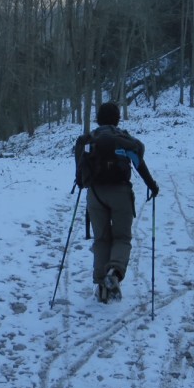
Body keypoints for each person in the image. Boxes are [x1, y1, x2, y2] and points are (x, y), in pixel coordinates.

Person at [74, 102, 159, 303]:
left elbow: (79, 175)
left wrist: (81, 181)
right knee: (122, 237)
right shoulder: (123, 140)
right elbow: (139, 165)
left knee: (101, 239)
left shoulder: (89, 141)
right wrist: (152, 186)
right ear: (117, 119)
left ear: (98, 118)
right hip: (120, 193)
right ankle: (115, 271)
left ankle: (101, 286)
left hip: (95, 194)